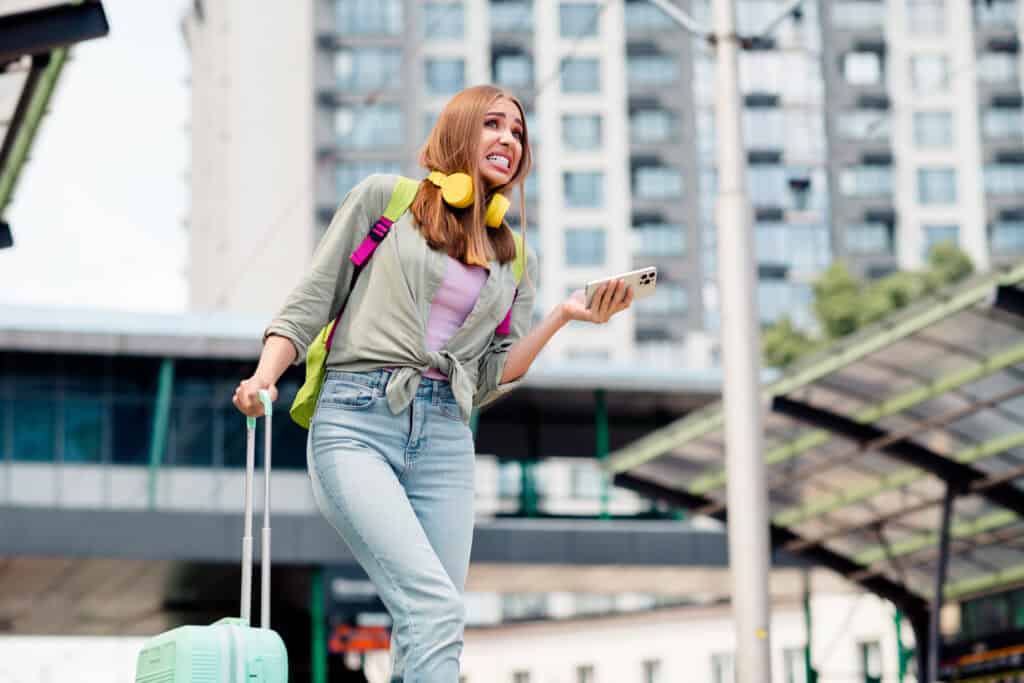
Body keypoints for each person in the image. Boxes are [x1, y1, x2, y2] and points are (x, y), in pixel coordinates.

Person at [233, 84, 633, 682]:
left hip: (446, 434)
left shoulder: (514, 255)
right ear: (459, 132)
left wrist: (562, 317)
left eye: (518, 133)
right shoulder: (384, 201)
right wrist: (264, 377)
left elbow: (495, 374)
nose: (508, 139)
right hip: (356, 422)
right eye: (493, 124)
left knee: (433, 621)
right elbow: (312, 300)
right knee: (434, 606)